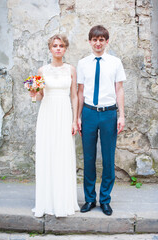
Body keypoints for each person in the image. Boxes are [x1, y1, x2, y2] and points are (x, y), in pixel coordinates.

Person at [77, 25, 126, 216]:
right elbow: (80, 92)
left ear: (107, 41)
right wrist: (78, 117)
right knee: (88, 159)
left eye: (101, 40)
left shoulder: (115, 62)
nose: (98, 43)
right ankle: (90, 199)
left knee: (108, 158)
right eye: (94, 40)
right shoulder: (82, 63)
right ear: (89, 42)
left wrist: (121, 115)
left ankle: (105, 199)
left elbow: (119, 89)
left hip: (108, 114)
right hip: (89, 113)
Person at [31, 34, 79, 217]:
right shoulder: (41, 70)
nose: (58, 48)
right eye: (55, 46)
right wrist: (33, 92)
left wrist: (74, 120)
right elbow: (39, 95)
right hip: (47, 113)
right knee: (48, 153)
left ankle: (64, 200)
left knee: (63, 154)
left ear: (65, 48)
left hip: (65, 113)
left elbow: (74, 96)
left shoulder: (71, 70)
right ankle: (47, 200)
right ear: (50, 49)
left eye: (61, 46)